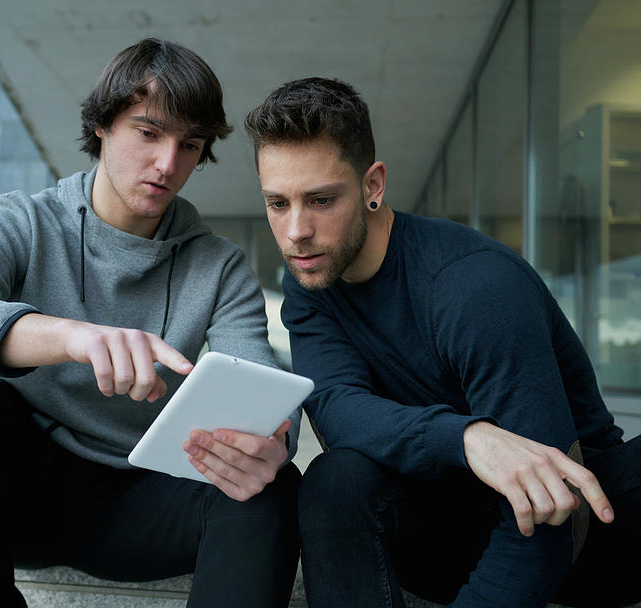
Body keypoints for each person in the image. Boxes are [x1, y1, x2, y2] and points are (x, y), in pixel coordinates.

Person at [0, 38, 302, 608]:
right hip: (12, 497)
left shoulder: (218, 265)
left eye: (189, 145)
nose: (167, 163)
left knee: (270, 484)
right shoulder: (22, 220)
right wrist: (70, 336)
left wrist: (269, 441)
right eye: (149, 132)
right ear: (103, 125)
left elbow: (259, 381)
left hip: (147, 507)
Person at [243, 77, 640, 608]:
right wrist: (468, 438)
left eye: (320, 200)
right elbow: (338, 409)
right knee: (336, 478)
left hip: (585, 532)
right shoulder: (312, 279)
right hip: (450, 529)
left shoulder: (473, 285)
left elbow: (554, 509)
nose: (295, 231)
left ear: (372, 185)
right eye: (277, 203)